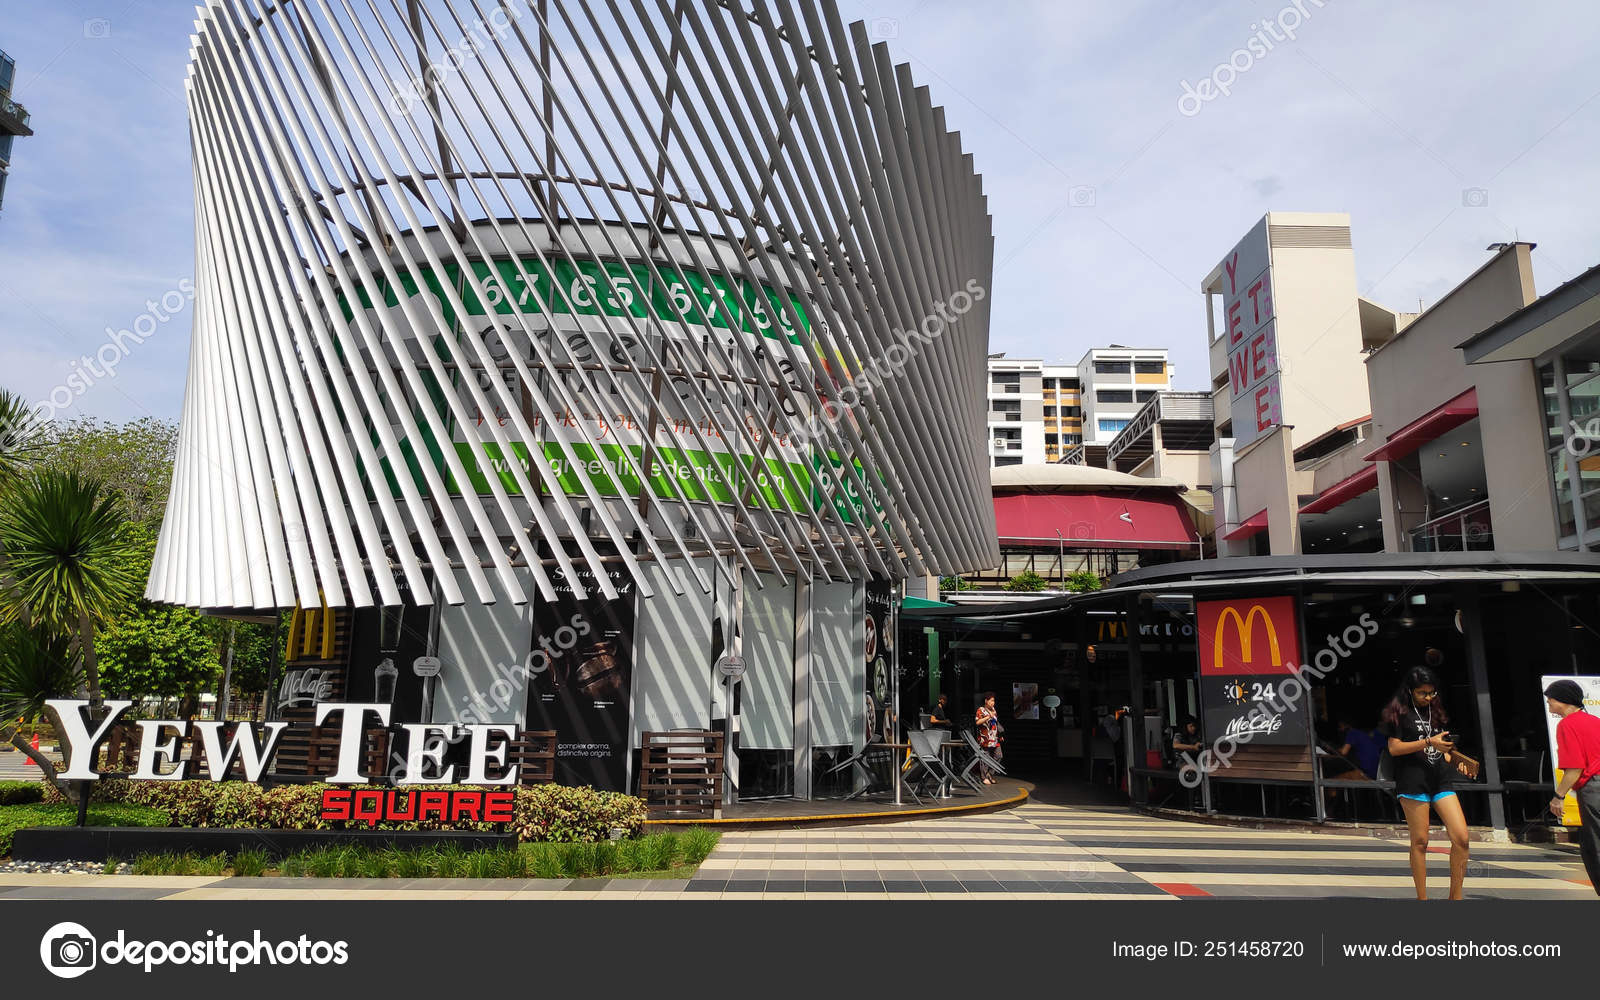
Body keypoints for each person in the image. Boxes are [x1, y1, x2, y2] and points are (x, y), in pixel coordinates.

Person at [1379, 666, 1469, 900]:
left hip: (1440, 779)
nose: (1428, 697)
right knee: (1420, 841)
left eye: (1432, 693)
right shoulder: (1398, 713)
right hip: (1412, 781)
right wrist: (1428, 742)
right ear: (1410, 691)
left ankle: (1455, 897)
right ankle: (1422, 899)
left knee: (1461, 838)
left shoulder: (1435, 710)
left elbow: (1444, 747)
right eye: (1422, 693)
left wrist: (1456, 758)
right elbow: (1394, 748)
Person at [1544, 679, 1600, 896]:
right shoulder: (1594, 721)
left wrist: (1558, 796)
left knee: (1594, 846)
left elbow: (1575, 768)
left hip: (1593, 789)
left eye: (1551, 701)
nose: (1549, 706)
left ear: (1562, 700)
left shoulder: (1567, 725)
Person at [975, 691, 1003, 784]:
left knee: (999, 756)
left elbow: (996, 724)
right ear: (986, 701)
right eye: (991, 701)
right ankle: (984, 777)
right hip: (985, 738)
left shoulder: (994, 710)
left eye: (994, 701)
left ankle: (989, 774)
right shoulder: (981, 710)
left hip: (995, 738)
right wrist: (988, 717)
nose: (993, 703)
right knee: (985, 757)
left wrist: (1000, 735)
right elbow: (978, 722)